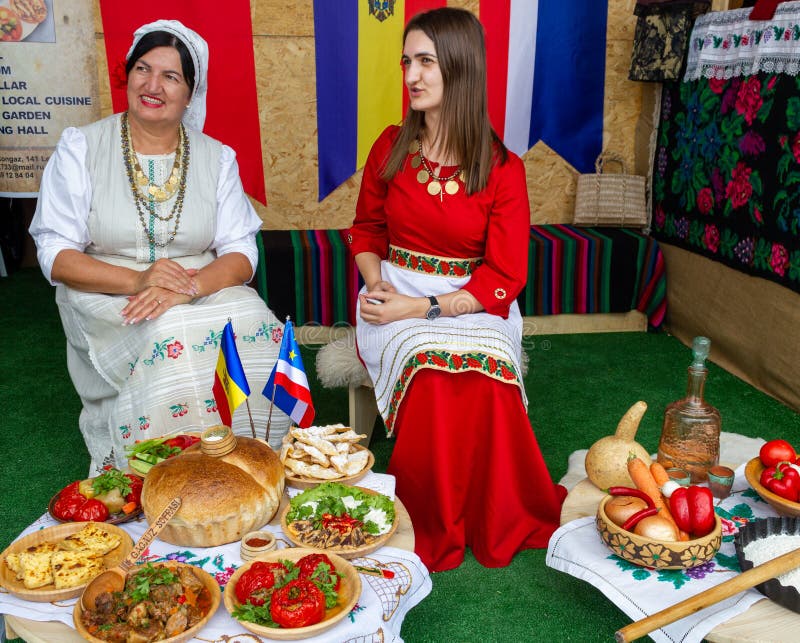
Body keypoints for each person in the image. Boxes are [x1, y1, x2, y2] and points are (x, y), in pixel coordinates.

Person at [349, 7, 567, 572]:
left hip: (471, 298)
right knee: (428, 369)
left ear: (462, 69)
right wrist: (377, 287)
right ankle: (427, 523)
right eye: (407, 62)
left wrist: (424, 307)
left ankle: (498, 513)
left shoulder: (502, 169)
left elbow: (505, 274)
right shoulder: (390, 146)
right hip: (393, 284)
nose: (411, 76)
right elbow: (368, 229)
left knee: (483, 371)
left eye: (426, 62)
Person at [29, 20, 289, 472]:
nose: (153, 86)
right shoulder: (81, 147)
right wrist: (139, 279)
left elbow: (241, 251)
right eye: (143, 70)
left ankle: (250, 462)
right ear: (127, 75)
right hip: (108, 291)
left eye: (171, 77)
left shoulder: (216, 157)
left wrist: (186, 286)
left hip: (197, 286)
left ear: (190, 93)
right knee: (171, 331)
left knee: (256, 320)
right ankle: (166, 472)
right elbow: (55, 252)